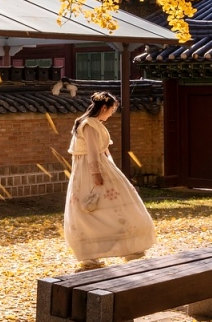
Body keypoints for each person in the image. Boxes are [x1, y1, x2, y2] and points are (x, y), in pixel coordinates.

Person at [64, 91, 155, 270]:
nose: (112, 113)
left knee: (109, 207)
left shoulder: (95, 124)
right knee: (93, 208)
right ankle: (94, 254)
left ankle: (128, 247)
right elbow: (91, 151)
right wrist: (96, 173)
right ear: (104, 107)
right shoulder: (89, 124)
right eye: (111, 110)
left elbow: (104, 151)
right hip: (91, 169)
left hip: (98, 167)